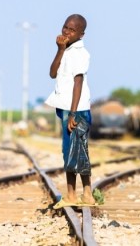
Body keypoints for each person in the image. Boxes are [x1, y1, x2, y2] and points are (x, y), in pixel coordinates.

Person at [45, 14, 95, 205]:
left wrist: (73, 113)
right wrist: (60, 50)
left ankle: (87, 194)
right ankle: (72, 195)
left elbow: (78, 83)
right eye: (65, 27)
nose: (66, 32)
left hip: (78, 111)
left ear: (81, 34)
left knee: (79, 151)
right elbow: (52, 73)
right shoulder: (66, 51)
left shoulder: (81, 54)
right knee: (69, 152)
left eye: (72, 30)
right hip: (67, 109)